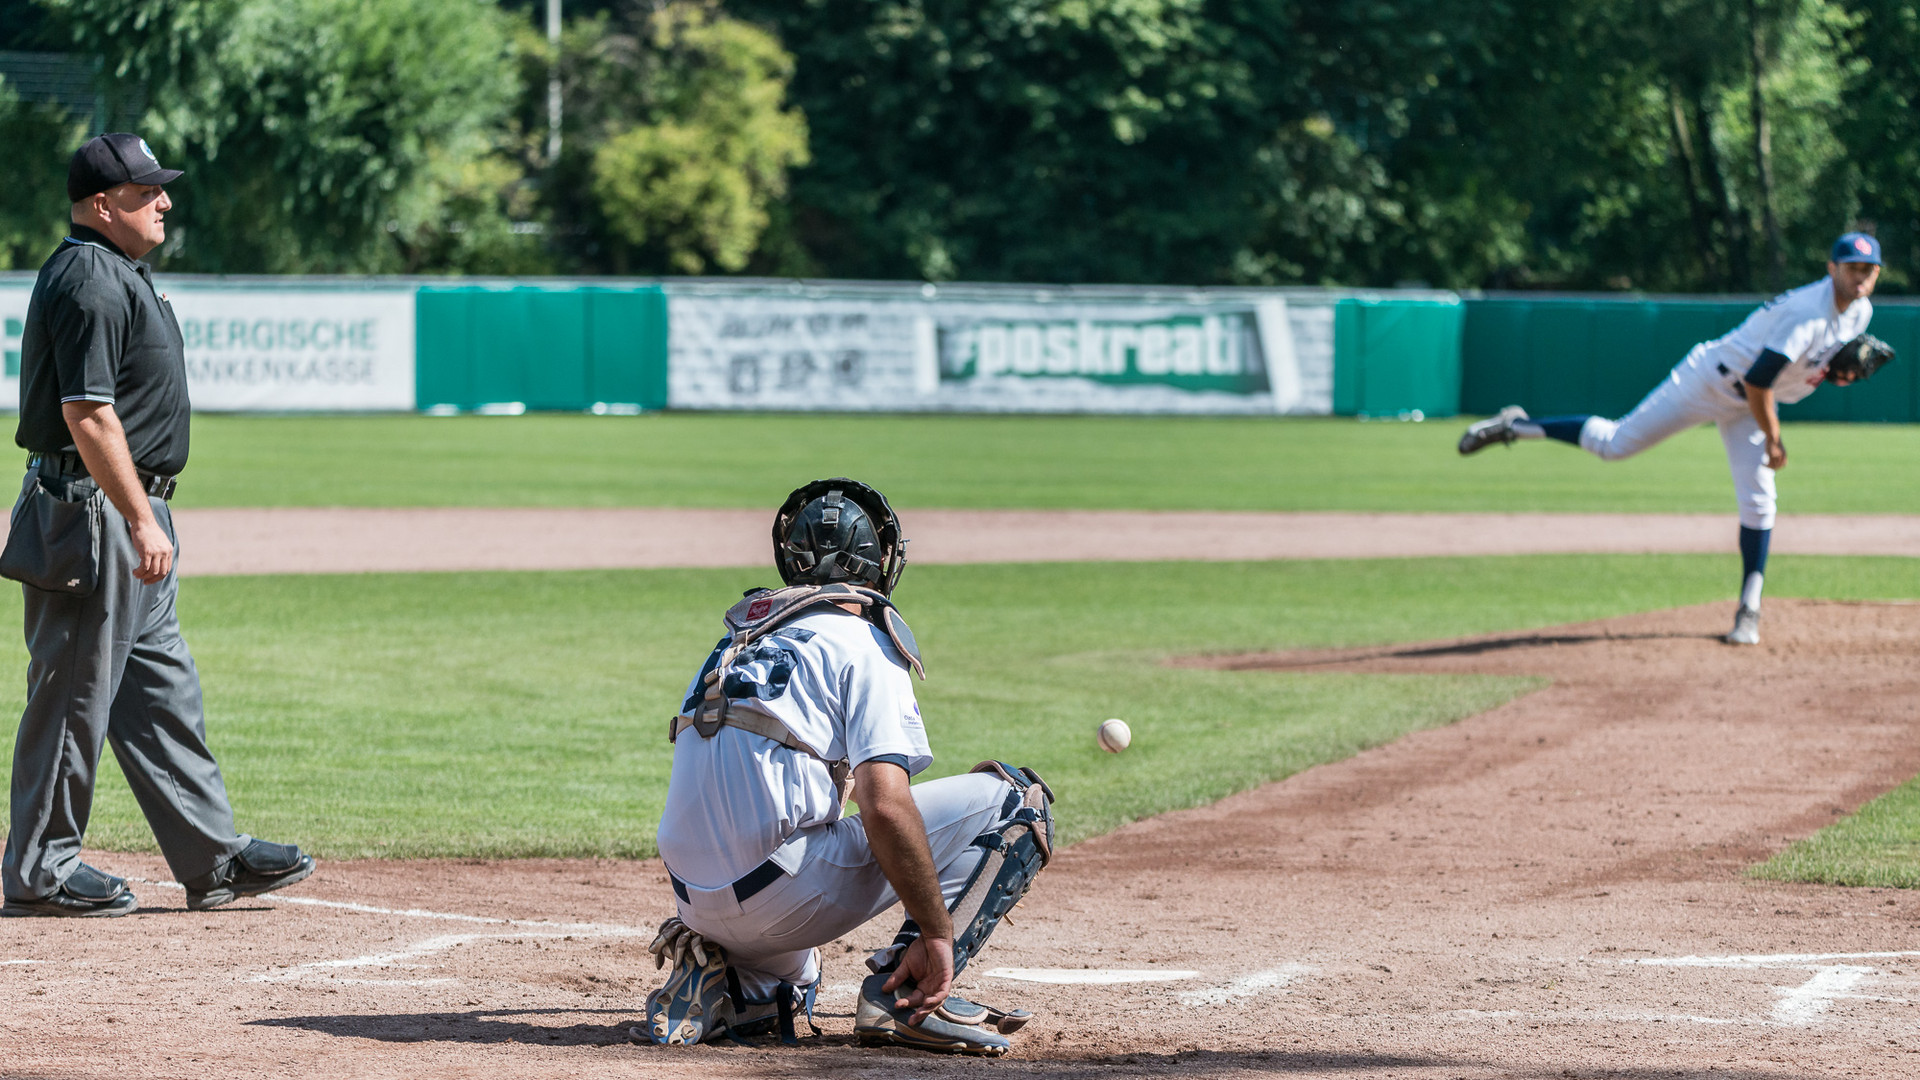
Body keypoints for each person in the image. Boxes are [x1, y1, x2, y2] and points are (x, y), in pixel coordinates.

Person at [2, 133, 314, 917]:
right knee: (74, 691)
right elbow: (87, 413)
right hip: (95, 512)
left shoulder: (116, 272)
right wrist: (141, 519)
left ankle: (211, 858)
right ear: (104, 205)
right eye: (147, 193)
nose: (164, 202)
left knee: (160, 688)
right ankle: (40, 868)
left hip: (127, 508)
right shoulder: (89, 280)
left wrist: (146, 514)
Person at [642, 478, 1054, 1056]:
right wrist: (935, 930)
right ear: (877, 564)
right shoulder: (861, 639)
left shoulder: (735, 641)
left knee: (800, 974)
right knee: (1019, 800)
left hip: (694, 903)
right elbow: (882, 803)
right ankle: (905, 995)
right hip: (783, 894)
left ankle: (736, 984)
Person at [1457, 233, 1896, 645]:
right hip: (1709, 383)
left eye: (1869, 269)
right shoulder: (1807, 311)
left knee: (1760, 500)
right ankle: (1516, 426)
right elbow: (1760, 381)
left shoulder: (1861, 312)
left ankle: (1749, 607)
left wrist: (1831, 374)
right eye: (1852, 267)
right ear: (1832, 268)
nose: (1860, 276)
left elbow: (1802, 370)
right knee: (1615, 443)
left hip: (1749, 404)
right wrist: (1774, 439)